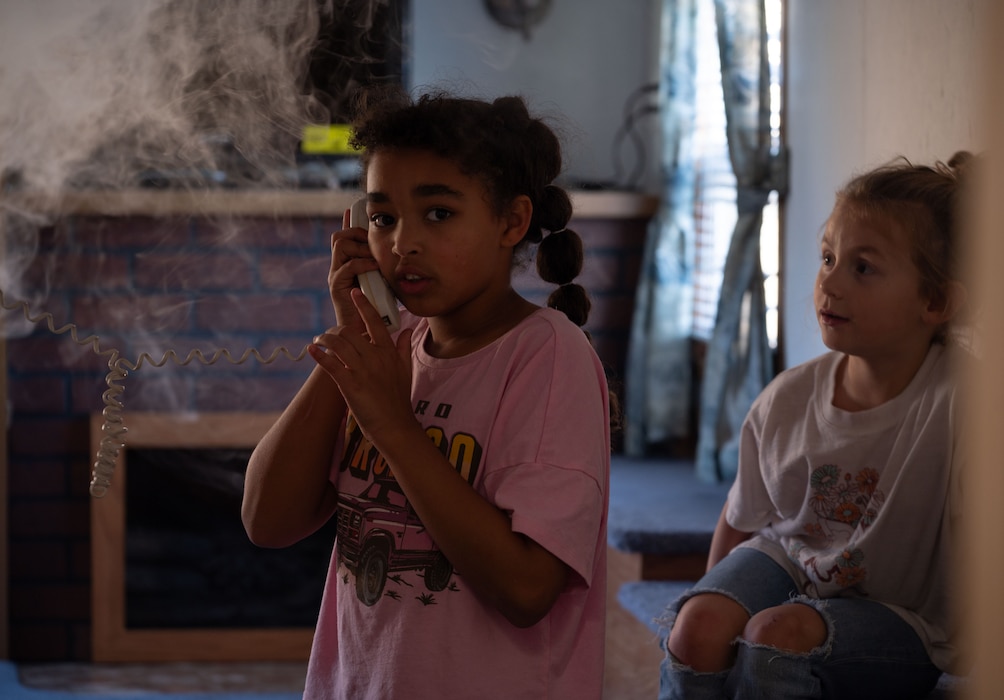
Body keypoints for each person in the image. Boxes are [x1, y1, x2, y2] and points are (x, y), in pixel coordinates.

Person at [241, 89, 612, 699]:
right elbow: (266, 520)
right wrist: (357, 335)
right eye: (383, 218)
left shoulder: (547, 355)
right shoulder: (394, 346)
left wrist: (392, 424)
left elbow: (525, 590)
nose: (402, 243)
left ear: (511, 222)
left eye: (438, 213)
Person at [659, 152, 976, 699]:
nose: (829, 283)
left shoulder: (969, 406)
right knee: (697, 627)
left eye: (863, 267)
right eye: (828, 257)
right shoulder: (789, 397)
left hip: (904, 614)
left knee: (775, 635)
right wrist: (715, 599)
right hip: (791, 560)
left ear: (936, 300)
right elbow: (741, 519)